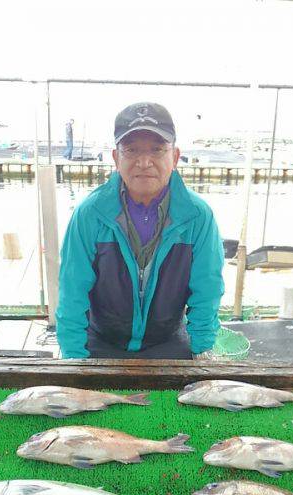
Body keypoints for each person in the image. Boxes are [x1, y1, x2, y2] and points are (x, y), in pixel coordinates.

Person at [56, 102, 224, 359]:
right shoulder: (90, 214)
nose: (144, 162)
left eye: (157, 150)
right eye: (131, 150)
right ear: (116, 158)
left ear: (175, 157)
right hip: (101, 340)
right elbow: (72, 291)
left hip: (168, 341)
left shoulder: (198, 217)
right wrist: (72, 355)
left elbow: (207, 289)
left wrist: (202, 350)